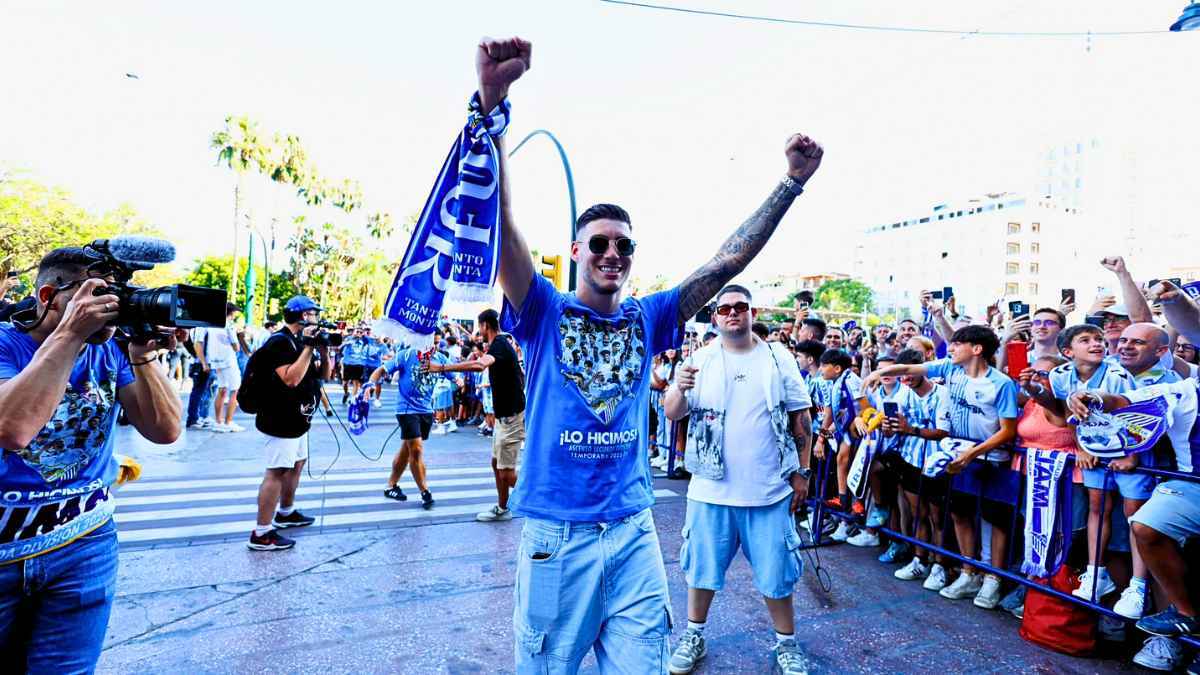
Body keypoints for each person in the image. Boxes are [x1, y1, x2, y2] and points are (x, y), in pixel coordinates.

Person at [474, 35, 823, 674]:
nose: (613, 253)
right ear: (575, 252)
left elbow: (728, 261)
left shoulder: (651, 315)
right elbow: (503, 227)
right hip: (559, 536)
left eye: (624, 246)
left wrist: (790, 185)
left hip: (634, 531)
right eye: (599, 242)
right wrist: (494, 106)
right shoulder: (544, 310)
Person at [0, 246, 182, 671]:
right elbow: (12, 429)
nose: (107, 307)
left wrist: (142, 352)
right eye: (95, 294)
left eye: (114, 295)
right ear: (48, 296)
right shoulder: (6, 344)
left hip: (85, 542)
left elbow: (164, 429)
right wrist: (69, 335)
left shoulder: (110, 349)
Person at [662, 285, 813, 674]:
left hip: (769, 490)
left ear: (751, 312)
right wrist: (679, 385)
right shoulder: (701, 359)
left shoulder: (778, 359)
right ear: (715, 316)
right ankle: (694, 635)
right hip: (711, 490)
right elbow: (673, 413)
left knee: (777, 575)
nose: (732, 314)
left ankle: (787, 644)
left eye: (740, 307)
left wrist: (803, 472)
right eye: (725, 308)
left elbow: (802, 419)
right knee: (701, 570)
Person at [864, 325, 1019, 604]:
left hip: (991, 458)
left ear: (977, 349)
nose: (952, 348)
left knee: (996, 520)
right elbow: (912, 370)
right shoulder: (949, 369)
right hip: (956, 455)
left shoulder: (1002, 383)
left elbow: (1007, 430)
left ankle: (993, 581)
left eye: (958, 344)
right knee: (960, 514)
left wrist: (973, 453)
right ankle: (969, 574)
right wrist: (879, 372)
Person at [1025, 323, 1149, 612]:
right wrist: (1082, 446)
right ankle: (1095, 572)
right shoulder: (1059, 374)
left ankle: (1137, 585)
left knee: (1135, 515)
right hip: (1097, 449)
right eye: (1086, 340)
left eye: (1099, 339)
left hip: (1128, 449)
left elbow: (1136, 413)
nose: (1096, 343)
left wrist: (1132, 455)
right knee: (1097, 506)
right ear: (1068, 352)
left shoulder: (1118, 374)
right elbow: (1067, 412)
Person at [428, 309, 527, 522]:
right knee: (495, 464)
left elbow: (479, 364)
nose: (476, 331)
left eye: (477, 326)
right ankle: (502, 508)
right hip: (504, 417)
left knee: (507, 473)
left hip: (510, 418)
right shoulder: (499, 345)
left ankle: (544, 500)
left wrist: (442, 367)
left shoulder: (500, 344)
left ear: (484, 326)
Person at [246, 296, 328, 550]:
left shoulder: (299, 342)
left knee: (297, 463)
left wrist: (323, 352)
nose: (318, 318)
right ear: (304, 316)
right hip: (280, 418)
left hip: (298, 418)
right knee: (277, 471)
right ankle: (261, 532)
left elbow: (323, 376)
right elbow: (290, 379)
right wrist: (308, 348)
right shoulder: (280, 343)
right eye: (315, 314)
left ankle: (286, 511)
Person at [883, 349, 952, 587]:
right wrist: (888, 427)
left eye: (909, 372)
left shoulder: (943, 394)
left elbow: (944, 431)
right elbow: (894, 428)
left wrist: (910, 429)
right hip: (910, 459)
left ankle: (940, 566)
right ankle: (919, 560)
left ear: (920, 368)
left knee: (937, 516)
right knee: (918, 513)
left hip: (937, 462)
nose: (906, 377)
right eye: (901, 373)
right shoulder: (902, 395)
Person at [370, 342, 453, 510]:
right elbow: (381, 370)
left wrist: (458, 379)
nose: (433, 346)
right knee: (416, 450)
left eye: (437, 342)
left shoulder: (440, 358)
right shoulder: (406, 355)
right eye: (431, 342)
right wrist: (370, 384)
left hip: (426, 410)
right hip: (406, 409)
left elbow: (452, 373)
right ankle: (425, 492)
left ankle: (391, 486)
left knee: (407, 449)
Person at [204, 303, 244, 433]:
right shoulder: (229, 325)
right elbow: (236, 347)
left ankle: (218, 421)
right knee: (234, 390)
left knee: (222, 389)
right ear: (231, 313)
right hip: (229, 360)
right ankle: (228, 422)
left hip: (216, 361)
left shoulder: (212, 325)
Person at [340, 326, 368, 405]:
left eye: (360, 332)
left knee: (356, 382)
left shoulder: (364, 341)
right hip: (348, 363)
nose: (358, 334)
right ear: (354, 332)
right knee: (345, 383)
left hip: (358, 364)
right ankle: (346, 393)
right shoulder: (348, 339)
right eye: (357, 332)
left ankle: (352, 399)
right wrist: (346, 343)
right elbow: (340, 347)